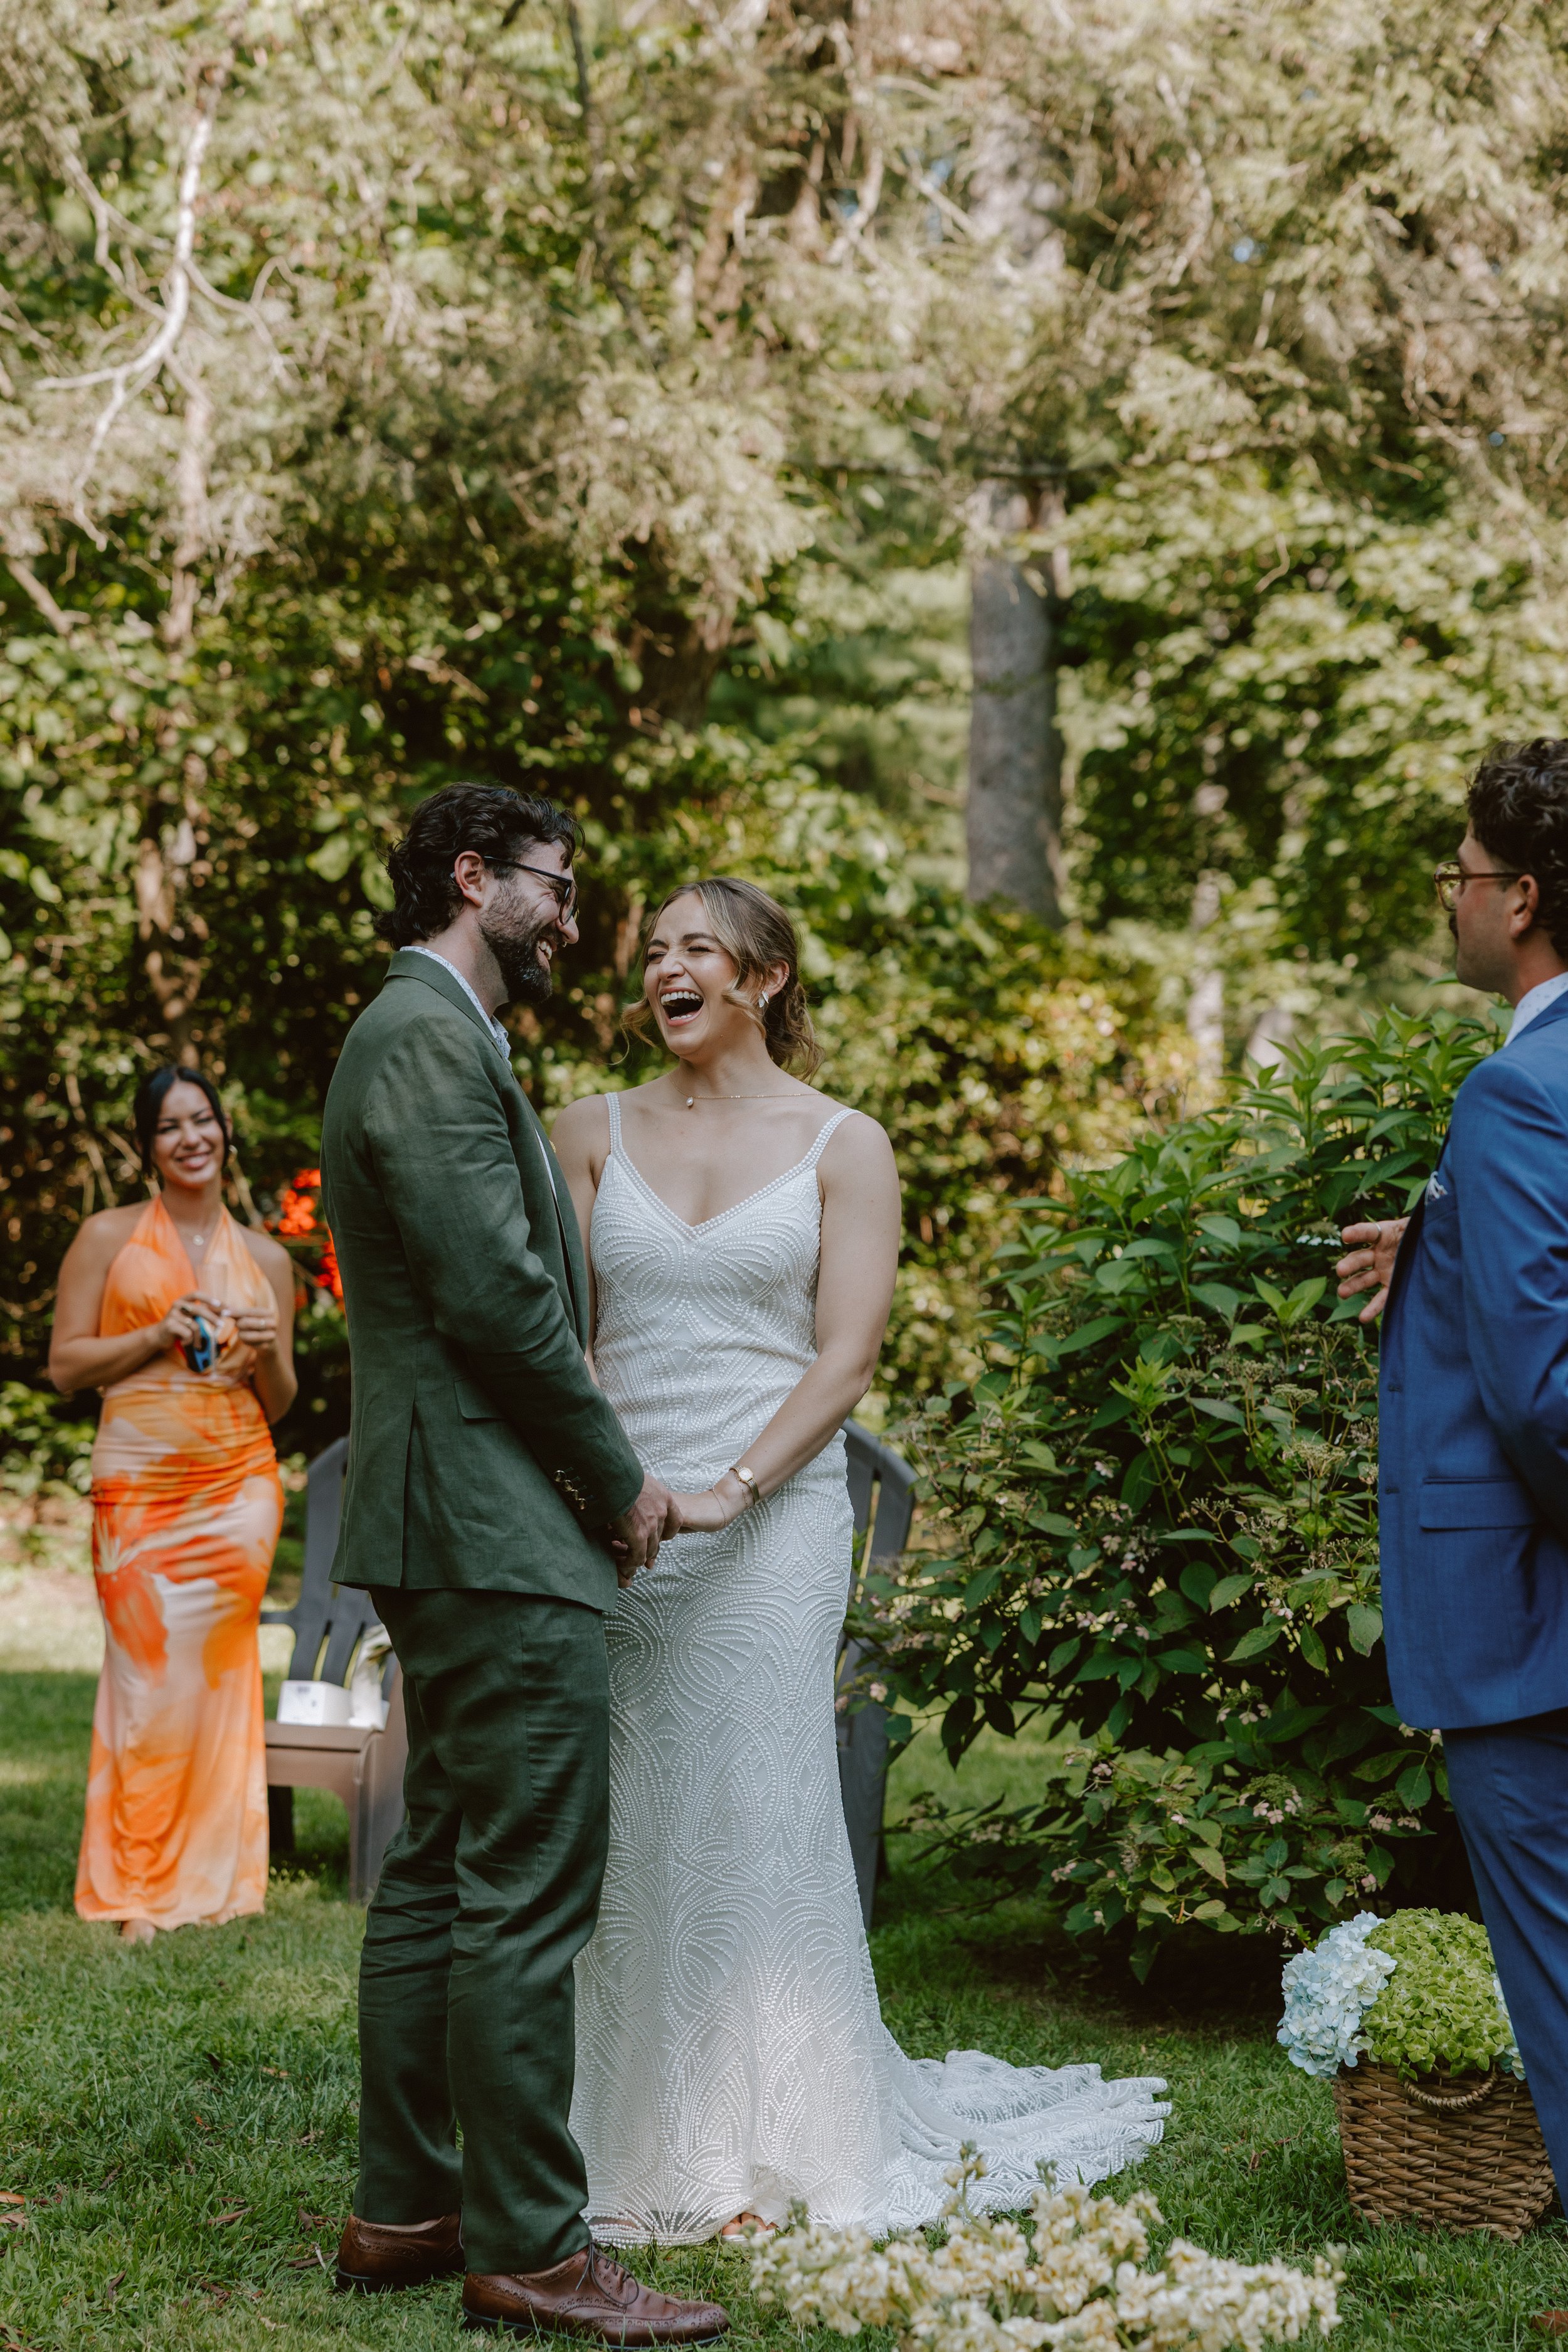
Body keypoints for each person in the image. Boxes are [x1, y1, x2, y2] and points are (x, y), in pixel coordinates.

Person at [551, 876, 1169, 2246]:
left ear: (764, 977)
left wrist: (727, 1493)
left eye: (696, 949)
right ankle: (619, 2132)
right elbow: (568, 1342)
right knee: (629, 1814)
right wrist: (615, 1487)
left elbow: (845, 1358)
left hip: (770, 1520)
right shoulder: (585, 1130)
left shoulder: (845, 1144)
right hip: (620, 1517)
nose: (664, 969)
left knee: (754, 1801)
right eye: (652, 951)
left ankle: (773, 2139)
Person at [320, 783, 729, 2343]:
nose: (571, 916)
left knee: (439, 1864)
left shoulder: (436, 1034)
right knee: (527, 1883)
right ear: (472, 876)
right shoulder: (424, 1036)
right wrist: (613, 1482)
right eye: (555, 886)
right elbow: (495, 1296)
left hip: (452, 1518)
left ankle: (409, 2207)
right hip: (486, 1521)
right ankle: (533, 2251)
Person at [1336, 740, 1568, 2252]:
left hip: (1530, 1622)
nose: (1452, 900)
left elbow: (1543, 1393)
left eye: (1461, 876)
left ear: (1521, 896)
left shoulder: (1515, 1088)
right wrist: (1441, 1245)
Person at [49, 1066, 298, 1942]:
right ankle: (139, 1886)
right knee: (145, 1676)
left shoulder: (268, 1258)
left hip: (239, 1487)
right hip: (139, 1487)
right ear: (147, 1145)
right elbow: (66, 1365)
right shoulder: (106, 1237)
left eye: (203, 1121)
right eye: (169, 1126)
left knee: (219, 1678)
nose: (191, 1138)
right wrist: (157, 1333)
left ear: (225, 1131)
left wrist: (268, 1351)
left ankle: (215, 1876)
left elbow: (280, 1401)